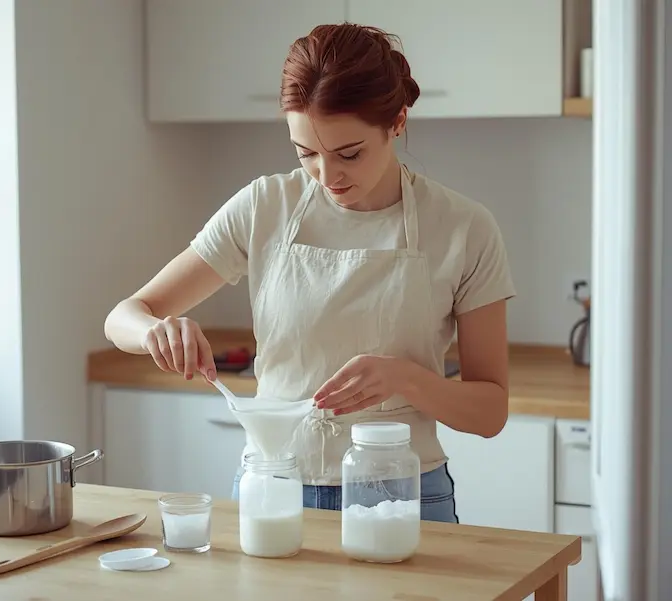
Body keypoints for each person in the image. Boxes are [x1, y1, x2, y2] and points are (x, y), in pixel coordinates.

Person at [104, 23, 516, 523]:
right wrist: (157, 331)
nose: (328, 176)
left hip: (404, 496)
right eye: (306, 154)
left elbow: (490, 412)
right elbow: (124, 316)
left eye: (349, 153)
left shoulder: (464, 228)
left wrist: (405, 378)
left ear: (398, 122)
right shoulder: (263, 207)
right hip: (273, 487)